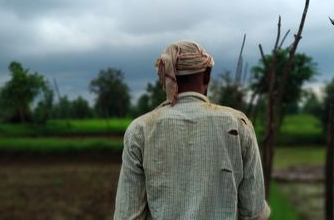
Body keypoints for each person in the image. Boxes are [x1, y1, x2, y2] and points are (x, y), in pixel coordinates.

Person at [114, 41, 270, 220]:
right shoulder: (238, 125)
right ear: (207, 75)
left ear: (164, 77)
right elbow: (254, 213)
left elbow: (127, 216)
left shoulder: (140, 130)